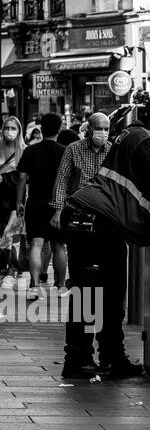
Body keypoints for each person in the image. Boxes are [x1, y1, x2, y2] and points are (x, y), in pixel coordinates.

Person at [60, 98, 150, 379]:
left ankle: (111, 357)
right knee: (91, 294)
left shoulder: (131, 134)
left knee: (110, 294)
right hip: (94, 220)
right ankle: (79, 358)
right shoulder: (145, 139)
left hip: (98, 220)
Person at [48, 113, 111, 286]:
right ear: (89, 129)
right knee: (78, 262)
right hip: (77, 214)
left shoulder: (112, 151)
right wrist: (58, 210)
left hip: (104, 215)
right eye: (99, 129)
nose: (103, 133)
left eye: (106, 129)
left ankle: (96, 308)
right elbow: (62, 181)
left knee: (100, 264)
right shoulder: (73, 149)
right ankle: (80, 306)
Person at [17, 113, 68, 299]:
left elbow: (22, 178)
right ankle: (61, 286)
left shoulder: (30, 151)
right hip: (58, 205)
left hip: (35, 204)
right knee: (59, 246)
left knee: (36, 245)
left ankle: (34, 286)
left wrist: (19, 202)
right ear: (59, 129)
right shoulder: (65, 151)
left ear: (42, 128)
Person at [0, 116, 25, 289]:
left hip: (16, 200)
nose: (10, 132)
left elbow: (24, 179)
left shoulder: (24, 150)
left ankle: (12, 270)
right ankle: (4, 267)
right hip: (0, 199)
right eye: (7, 128)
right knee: (2, 235)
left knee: (12, 234)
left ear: (19, 131)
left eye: (13, 128)